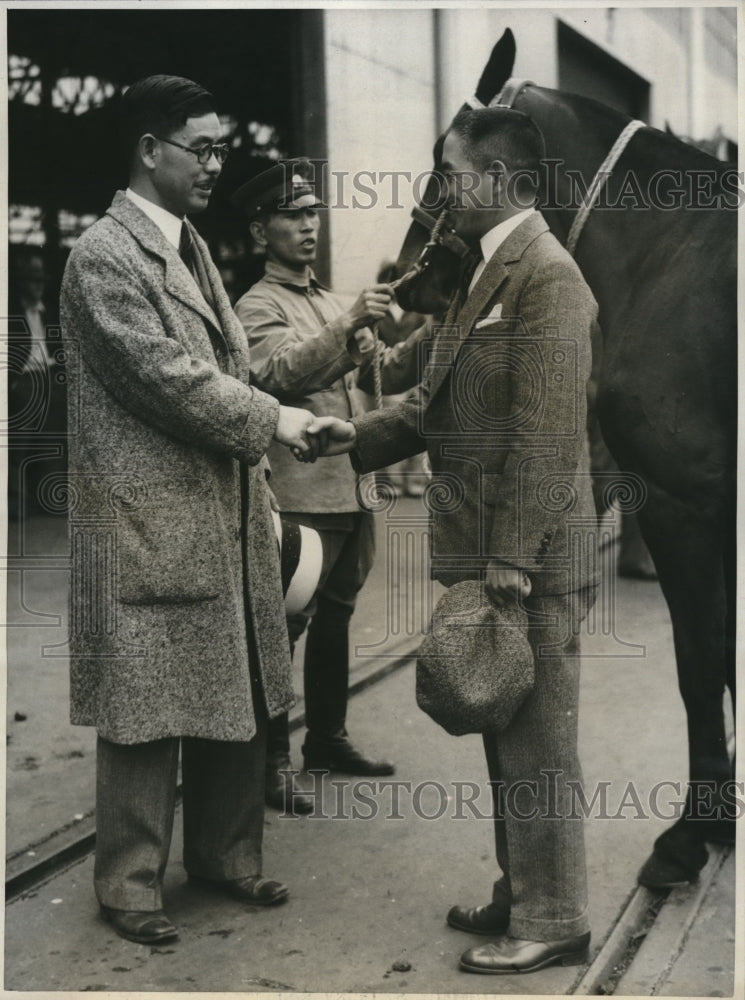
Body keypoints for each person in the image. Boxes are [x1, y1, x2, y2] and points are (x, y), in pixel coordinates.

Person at [307, 106, 599, 975]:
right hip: (493, 561)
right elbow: (435, 400)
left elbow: (546, 436)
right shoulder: (487, 273)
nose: (439, 191)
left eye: (451, 175)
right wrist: (351, 437)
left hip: (529, 562)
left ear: (502, 181)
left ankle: (555, 917)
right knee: (504, 733)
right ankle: (522, 892)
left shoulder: (548, 278)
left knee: (539, 744)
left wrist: (508, 558)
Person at [60, 75, 319, 946]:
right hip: (146, 520)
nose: (215, 163)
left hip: (220, 509)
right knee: (145, 708)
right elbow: (170, 380)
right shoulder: (102, 255)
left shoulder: (191, 247)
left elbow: (226, 370)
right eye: (200, 148)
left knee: (235, 684)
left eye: (218, 147)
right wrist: (275, 420)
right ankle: (128, 885)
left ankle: (224, 856)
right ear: (149, 150)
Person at [231, 159, 426, 813]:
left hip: (352, 487)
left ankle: (327, 739)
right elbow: (278, 376)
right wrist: (345, 329)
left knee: (336, 617)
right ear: (262, 230)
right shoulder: (256, 305)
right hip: (301, 493)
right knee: (283, 625)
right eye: (291, 216)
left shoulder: (330, 300)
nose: (307, 227)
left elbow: (388, 376)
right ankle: (270, 762)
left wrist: (437, 329)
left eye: (312, 214)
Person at [7, 248, 67, 518]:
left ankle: (51, 502)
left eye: (41, 280)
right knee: (19, 445)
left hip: (51, 381)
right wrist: (12, 385)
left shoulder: (50, 312)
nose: (38, 286)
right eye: (33, 280)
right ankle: (16, 506)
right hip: (24, 384)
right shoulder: (10, 312)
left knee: (52, 443)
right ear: (21, 282)